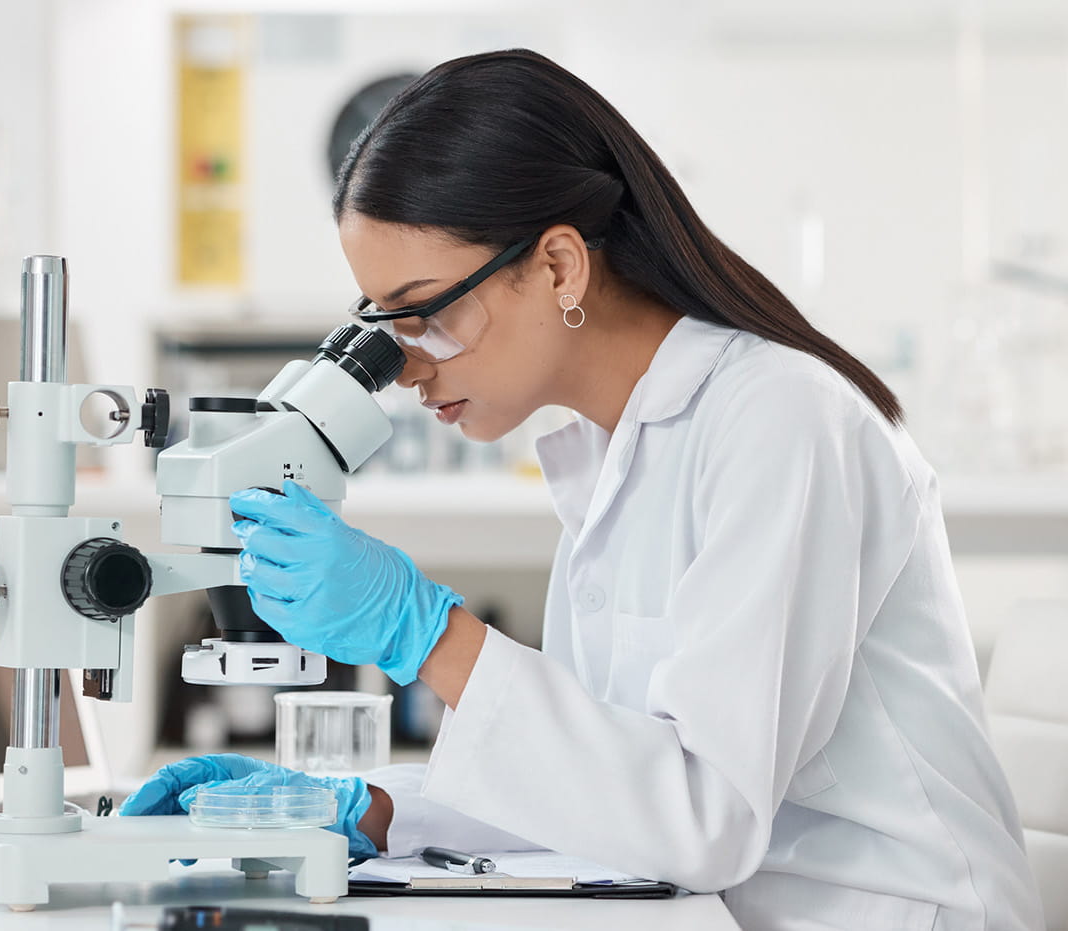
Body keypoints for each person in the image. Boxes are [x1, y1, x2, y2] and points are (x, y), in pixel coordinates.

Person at [122, 49, 1043, 931]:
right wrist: (370, 810)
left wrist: (428, 635)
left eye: (425, 312)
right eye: (382, 323)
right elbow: (607, 792)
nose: (406, 367)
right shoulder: (604, 448)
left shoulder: (780, 419)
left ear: (559, 265)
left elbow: (703, 819)